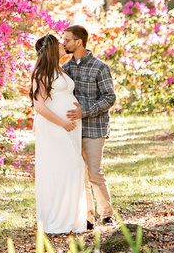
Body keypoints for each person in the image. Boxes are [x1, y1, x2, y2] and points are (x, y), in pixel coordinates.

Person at [30, 33, 88, 235]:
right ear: (52, 49)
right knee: (71, 167)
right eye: (59, 43)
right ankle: (57, 219)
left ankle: (70, 220)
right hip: (55, 127)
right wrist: (62, 122)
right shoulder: (42, 72)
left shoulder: (58, 69)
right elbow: (39, 105)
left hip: (69, 127)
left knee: (68, 170)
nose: (64, 45)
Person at [62, 24, 117, 229]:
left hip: (95, 128)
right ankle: (87, 216)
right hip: (73, 130)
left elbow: (109, 98)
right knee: (80, 175)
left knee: (94, 173)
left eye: (67, 40)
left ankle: (106, 214)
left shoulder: (100, 67)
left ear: (79, 42)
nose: (64, 43)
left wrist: (85, 111)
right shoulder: (65, 68)